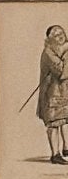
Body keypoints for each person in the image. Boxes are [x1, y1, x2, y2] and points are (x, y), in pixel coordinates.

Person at [36, 24, 68, 164]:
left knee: (65, 120)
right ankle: (55, 154)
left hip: (64, 92)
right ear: (49, 39)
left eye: (61, 33)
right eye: (56, 34)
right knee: (54, 123)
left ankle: (66, 148)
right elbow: (61, 72)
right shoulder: (48, 52)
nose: (60, 36)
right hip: (52, 94)